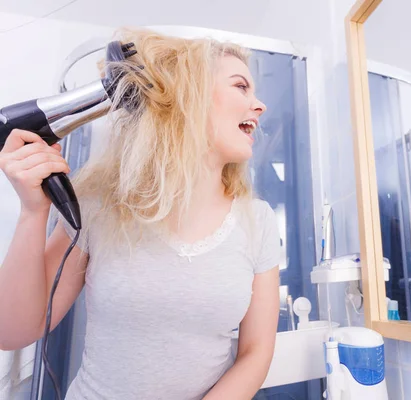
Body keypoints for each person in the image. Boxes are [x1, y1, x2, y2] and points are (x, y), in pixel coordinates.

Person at [0, 27, 282, 399]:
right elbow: (13, 331)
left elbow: (255, 352)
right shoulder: (100, 207)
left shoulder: (257, 221)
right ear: (189, 95)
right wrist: (32, 214)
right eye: (240, 86)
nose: (260, 105)